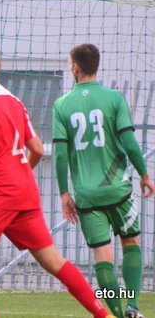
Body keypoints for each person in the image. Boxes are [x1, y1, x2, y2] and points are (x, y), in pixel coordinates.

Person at [0, 40, 112, 318]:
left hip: (0, 193)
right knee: (54, 262)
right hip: (25, 192)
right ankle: (102, 314)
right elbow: (35, 148)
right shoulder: (15, 101)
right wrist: (19, 174)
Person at [53, 44, 154, 318]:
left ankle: (118, 316)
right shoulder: (114, 98)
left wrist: (64, 193)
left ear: (75, 67)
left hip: (86, 195)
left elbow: (60, 156)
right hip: (119, 189)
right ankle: (133, 306)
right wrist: (144, 174)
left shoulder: (61, 105)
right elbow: (130, 143)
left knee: (102, 257)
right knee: (131, 243)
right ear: (96, 65)